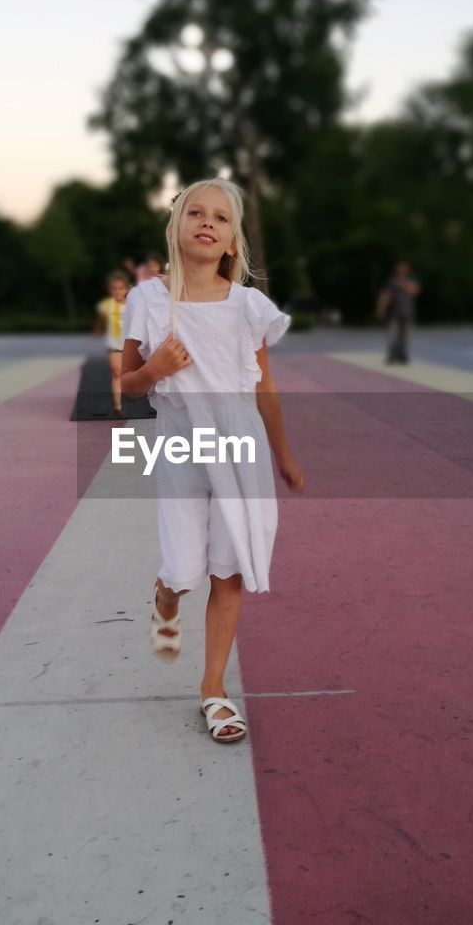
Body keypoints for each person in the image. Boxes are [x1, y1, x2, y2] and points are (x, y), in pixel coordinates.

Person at [121, 178, 305, 744]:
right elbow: (125, 386)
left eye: (221, 218)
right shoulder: (148, 300)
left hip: (241, 446)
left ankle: (214, 691)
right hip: (181, 445)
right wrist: (154, 373)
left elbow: (264, 389)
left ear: (232, 242)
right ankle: (165, 594)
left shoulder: (249, 307)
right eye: (194, 212)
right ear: (175, 229)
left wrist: (283, 455)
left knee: (229, 572)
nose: (207, 222)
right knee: (183, 568)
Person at [93, 269, 132, 418]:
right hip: (114, 343)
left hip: (130, 344)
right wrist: (98, 330)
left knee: (128, 374)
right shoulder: (106, 305)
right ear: (110, 290)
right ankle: (118, 406)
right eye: (114, 289)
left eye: (121, 288)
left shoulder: (132, 304)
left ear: (126, 289)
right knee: (117, 372)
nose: (118, 292)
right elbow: (101, 320)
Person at [377, 260, 421, 364]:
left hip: (407, 311)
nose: (401, 270)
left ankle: (402, 355)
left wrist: (402, 284)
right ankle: (392, 355)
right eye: (399, 268)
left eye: (403, 268)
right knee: (393, 334)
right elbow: (385, 294)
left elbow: (414, 291)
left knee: (405, 335)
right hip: (394, 312)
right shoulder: (391, 280)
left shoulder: (412, 280)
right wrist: (381, 307)